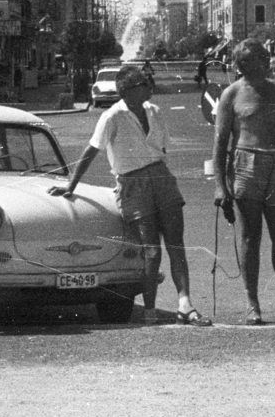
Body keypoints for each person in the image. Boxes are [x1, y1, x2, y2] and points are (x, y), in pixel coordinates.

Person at [49, 65, 211, 326]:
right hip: (132, 184)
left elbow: (161, 149)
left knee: (176, 244)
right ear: (127, 91)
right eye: (143, 84)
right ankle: (149, 311)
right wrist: (71, 186)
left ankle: (185, 304)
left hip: (161, 179)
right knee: (151, 251)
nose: (149, 86)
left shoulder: (155, 112)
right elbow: (92, 150)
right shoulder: (112, 117)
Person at [213, 39, 275, 325]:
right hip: (246, 166)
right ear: (244, 63)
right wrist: (221, 186)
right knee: (250, 237)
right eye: (260, 56)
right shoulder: (231, 95)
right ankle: (252, 304)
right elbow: (220, 145)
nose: (267, 59)